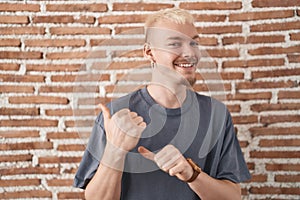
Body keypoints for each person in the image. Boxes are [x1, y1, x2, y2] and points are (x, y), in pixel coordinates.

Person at [74, 8, 251, 200]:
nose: (190, 53)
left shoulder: (216, 114)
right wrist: (115, 150)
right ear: (150, 53)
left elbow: (232, 196)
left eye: (194, 42)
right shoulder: (116, 115)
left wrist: (192, 174)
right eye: (175, 43)